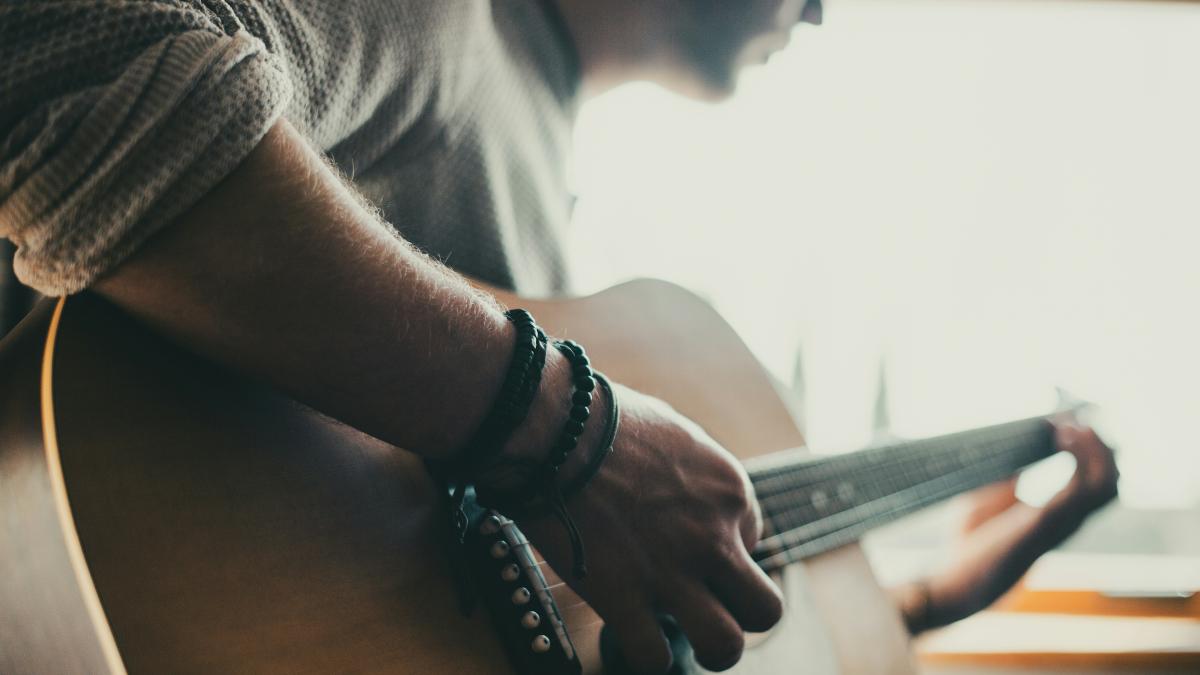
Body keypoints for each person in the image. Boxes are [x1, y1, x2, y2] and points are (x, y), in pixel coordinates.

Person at [0, 0, 1118, 672]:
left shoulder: (539, 152)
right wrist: (576, 437)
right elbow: (52, 50)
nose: (823, 12)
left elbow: (414, 606)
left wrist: (916, 605)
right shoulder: (444, 22)